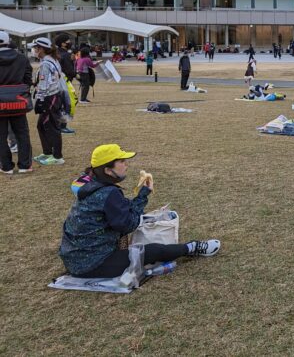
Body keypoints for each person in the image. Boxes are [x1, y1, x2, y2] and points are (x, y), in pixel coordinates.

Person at [59, 144, 220, 278]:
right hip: (91, 264)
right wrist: (143, 195)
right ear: (108, 170)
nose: (126, 164)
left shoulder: (90, 185)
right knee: (151, 251)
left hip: (73, 257)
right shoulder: (109, 193)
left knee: (129, 237)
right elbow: (129, 224)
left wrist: (140, 198)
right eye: (122, 161)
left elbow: (120, 211)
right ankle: (193, 248)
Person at [0, 32, 33, 174]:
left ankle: (5, 166)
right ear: (9, 42)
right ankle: (25, 165)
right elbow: (28, 78)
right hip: (18, 100)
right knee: (22, 133)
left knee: (0, 135)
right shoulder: (21, 58)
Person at [31, 38, 66, 166]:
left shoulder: (46, 63)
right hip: (54, 96)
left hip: (49, 97)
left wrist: (40, 100)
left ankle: (57, 157)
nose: (34, 51)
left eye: (36, 48)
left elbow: (44, 84)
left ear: (41, 49)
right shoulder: (53, 60)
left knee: (51, 127)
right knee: (41, 125)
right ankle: (47, 152)